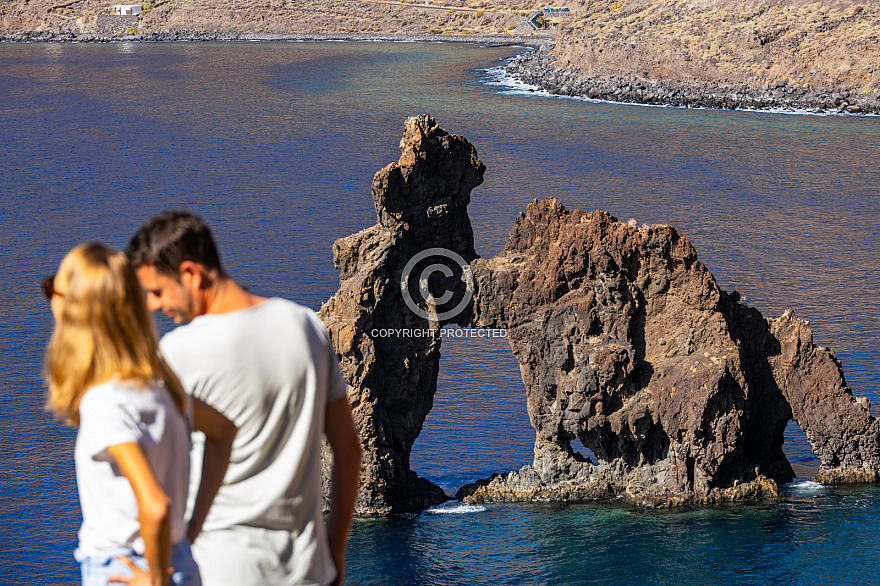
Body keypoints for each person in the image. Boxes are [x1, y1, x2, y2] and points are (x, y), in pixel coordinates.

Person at [126, 211, 363, 586]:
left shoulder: (176, 353)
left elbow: (154, 478)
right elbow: (349, 450)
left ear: (191, 274)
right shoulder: (305, 326)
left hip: (220, 567)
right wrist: (334, 554)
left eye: (157, 291)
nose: (154, 306)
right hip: (306, 569)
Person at [43, 243, 235, 586]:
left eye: (52, 292)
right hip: (177, 558)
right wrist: (192, 528)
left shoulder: (103, 401)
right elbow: (223, 431)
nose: (49, 302)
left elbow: (155, 505)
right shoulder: (163, 387)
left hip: (125, 568)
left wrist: (157, 581)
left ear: (75, 308)